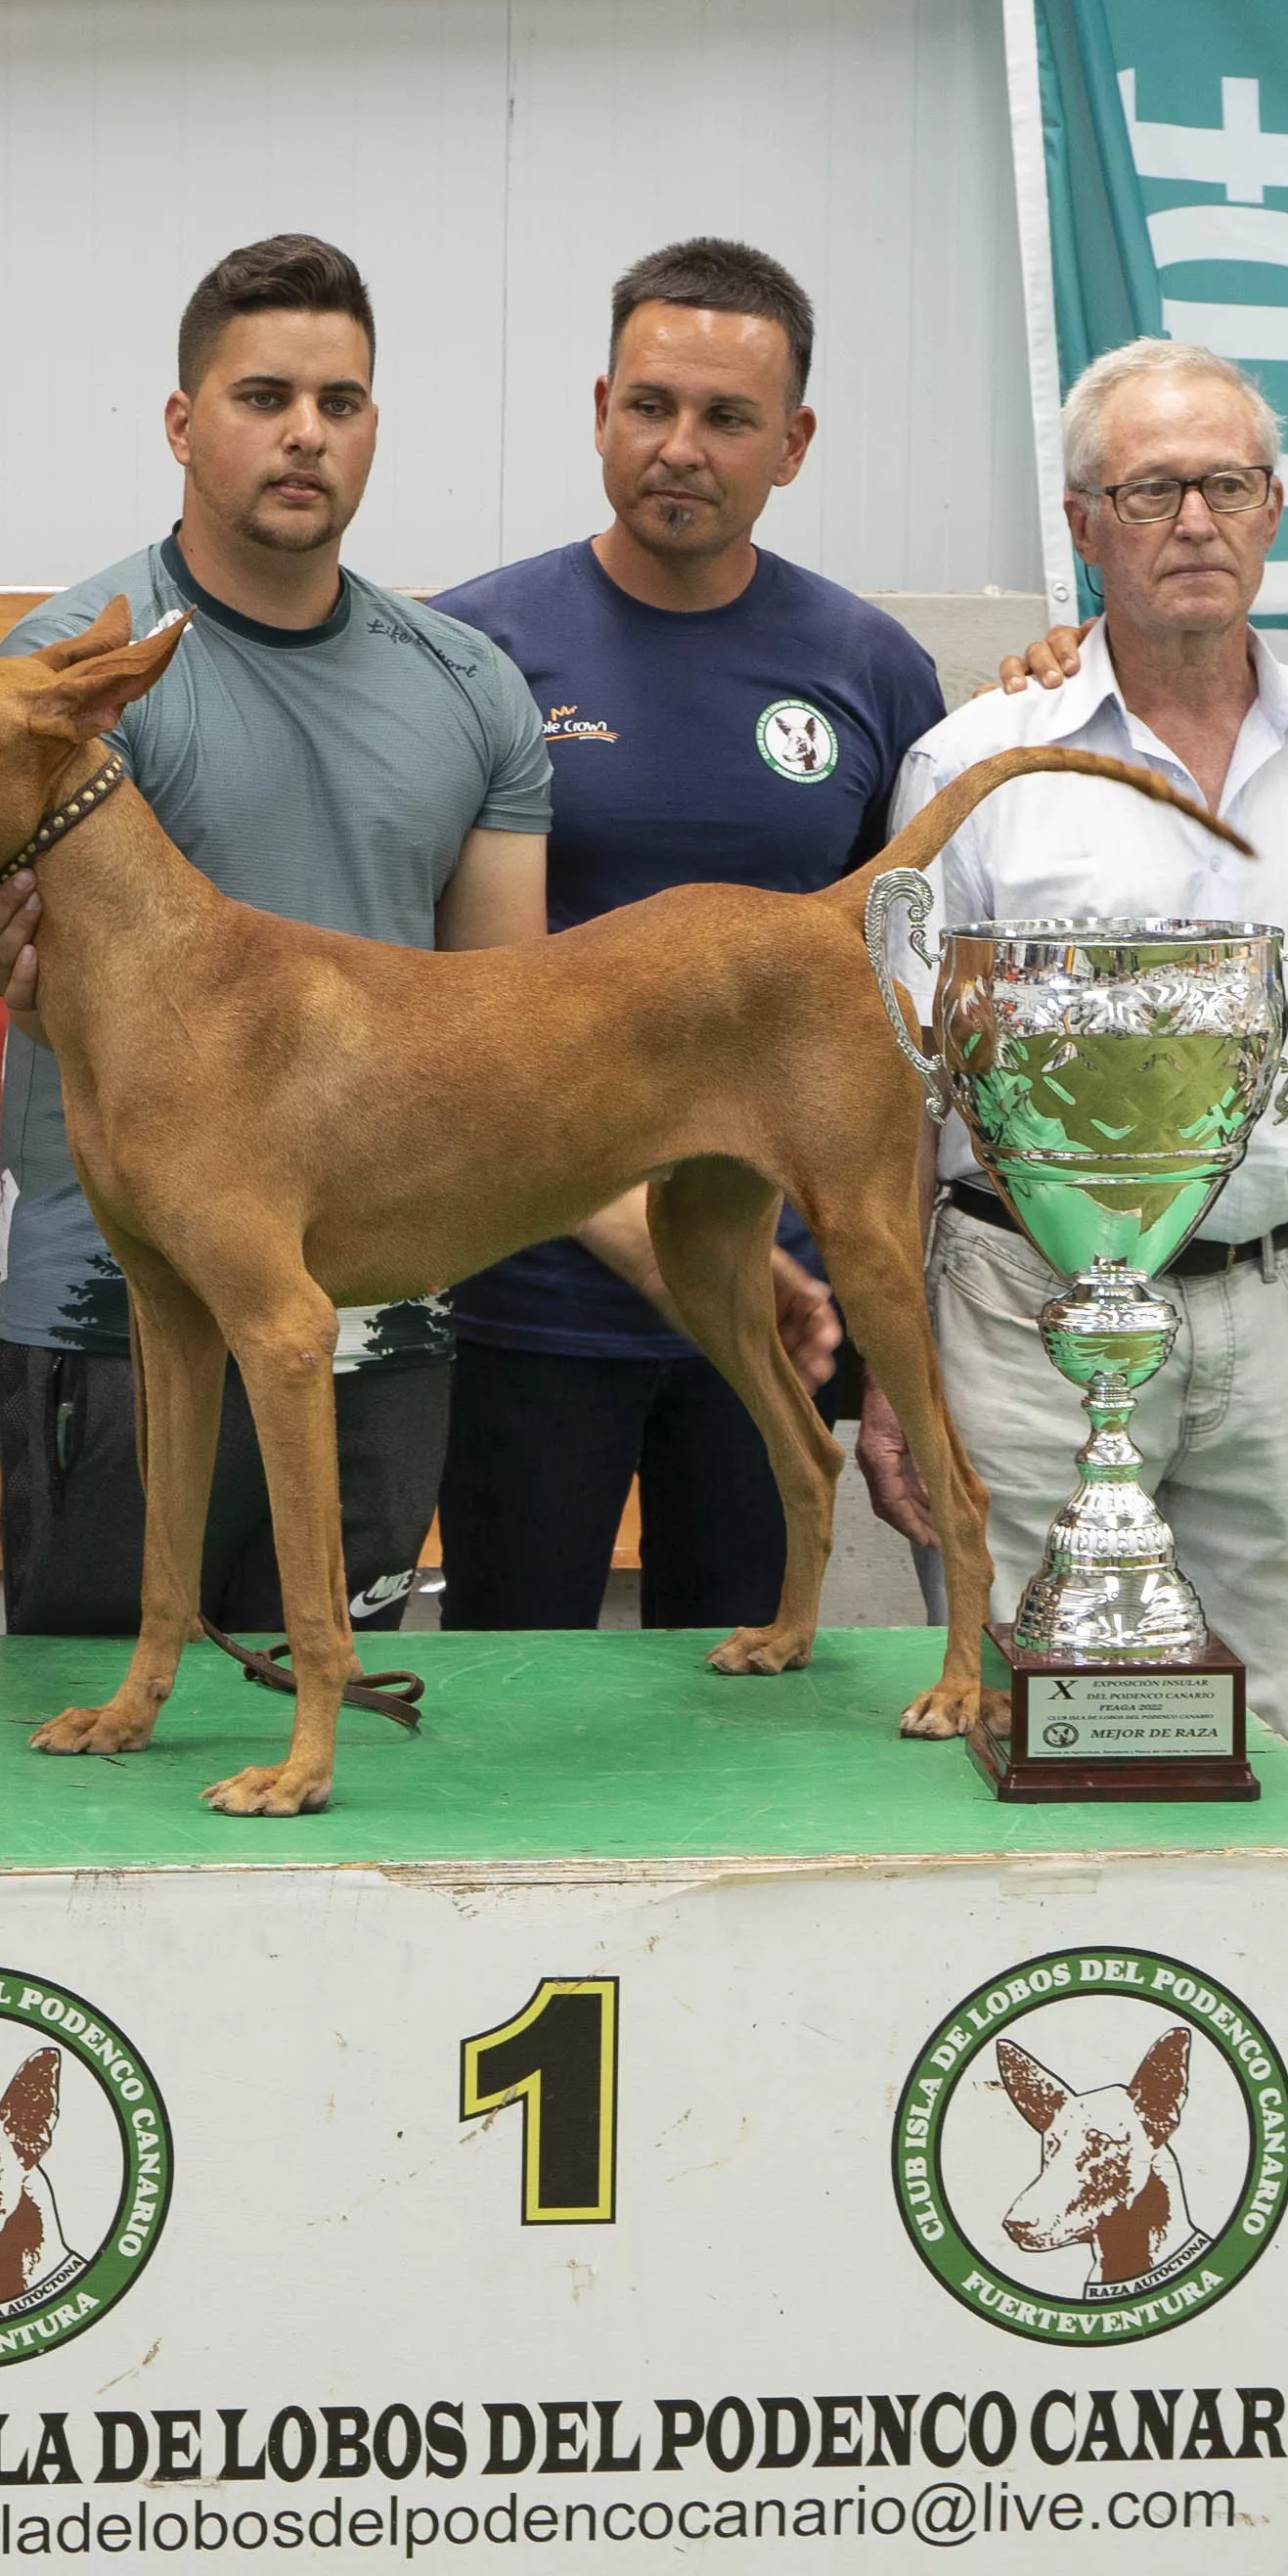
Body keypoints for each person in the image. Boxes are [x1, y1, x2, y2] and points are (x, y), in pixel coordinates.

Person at [868, 340, 1288, 1737]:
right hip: (1026, 1314)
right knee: (1035, 1735)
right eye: (1150, 492)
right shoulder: (974, 763)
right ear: (1085, 527)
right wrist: (890, 1368)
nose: (1196, 522)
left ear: (1276, 511)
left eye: (1228, 484)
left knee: (1273, 1743)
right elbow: (903, 1104)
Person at [0, 235, 551, 1640]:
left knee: (324, 1771)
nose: (305, 434)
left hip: (379, 1324)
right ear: (182, 422)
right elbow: (1, 948)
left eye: (339, 404)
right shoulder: (61, 677)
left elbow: (513, 1025)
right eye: (262, 396)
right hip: (114, 1316)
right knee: (97, 1770)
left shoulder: (468, 686)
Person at [423, 240, 942, 1630]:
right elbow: (446, 1005)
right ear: (600, 409)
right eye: (649, 406)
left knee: (748, 1745)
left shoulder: (874, 670)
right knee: (511, 1715)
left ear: (794, 443)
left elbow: (904, 1020)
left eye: (726, 418)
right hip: (525, 1298)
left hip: (773, 1312)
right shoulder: (471, 650)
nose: (679, 448)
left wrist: (891, 1324)